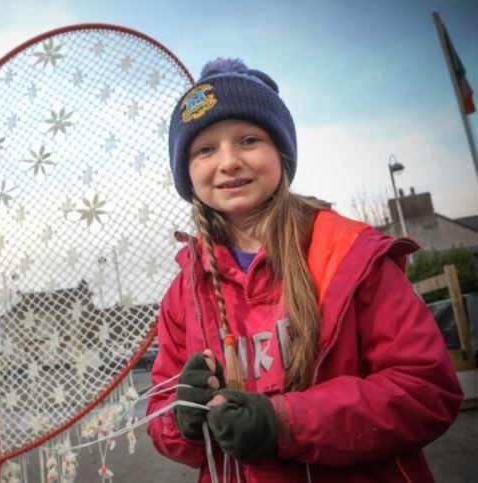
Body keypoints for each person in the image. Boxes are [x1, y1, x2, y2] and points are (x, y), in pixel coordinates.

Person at [146, 58, 463, 482]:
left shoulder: (354, 256)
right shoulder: (184, 291)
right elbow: (160, 416)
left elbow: (427, 391)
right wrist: (182, 419)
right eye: (205, 149)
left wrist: (286, 423)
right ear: (187, 171)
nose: (228, 162)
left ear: (281, 152)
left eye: (249, 139)